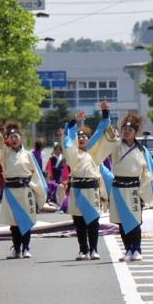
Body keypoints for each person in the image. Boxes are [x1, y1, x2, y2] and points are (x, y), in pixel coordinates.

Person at [0, 103, 47, 259]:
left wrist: (39, 193)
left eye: (17, 136)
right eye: (11, 137)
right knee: (14, 223)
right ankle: (16, 248)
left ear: (21, 139)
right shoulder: (4, 152)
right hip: (11, 191)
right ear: (7, 139)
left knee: (27, 220)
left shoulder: (28, 154)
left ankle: (26, 247)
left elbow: (36, 175)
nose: (14, 139)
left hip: (26, 190)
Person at [102, 111, 153, 262]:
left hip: (134, 189)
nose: (126, 132)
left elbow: (149, 171)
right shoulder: (116, 147)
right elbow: (108, 133)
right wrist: (105, 113)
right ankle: (128, 249)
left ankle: (137, 249)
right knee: (122, 221)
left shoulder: (142, 150)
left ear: (135, 133)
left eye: (130, 130)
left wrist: (151, 189)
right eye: (124, 129)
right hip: (118, 187)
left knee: (135, 220)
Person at [62, 101, 117, 261]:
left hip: (92, 189)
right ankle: (83, 250)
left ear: (89, 139)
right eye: (78, 136)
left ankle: (93, 249)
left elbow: (101, 132)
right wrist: (74, 121)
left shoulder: (94, 153)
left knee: (93, 221)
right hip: (77, 189)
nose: (81, 139)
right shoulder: (72, 153)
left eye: (84, 136)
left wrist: (105, 113)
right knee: (79, 222)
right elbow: (67, 139)